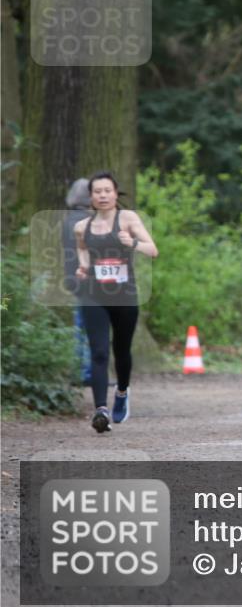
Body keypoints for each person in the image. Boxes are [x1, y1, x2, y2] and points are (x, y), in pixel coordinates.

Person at [73, 171, 158, 433]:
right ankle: (101, 409)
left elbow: (152, 250)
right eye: (97, 191)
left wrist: (132, 242)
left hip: (124, 295)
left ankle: (121, 392)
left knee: (121, 350)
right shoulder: (81, 227)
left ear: (115, 193)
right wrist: (83, 268)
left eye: (107, 190)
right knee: (99, 352)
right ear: (91, 196)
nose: (103, 195)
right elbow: (84, 254)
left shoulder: (128, 218)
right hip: (93, 295)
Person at [62, 178, 93, 385]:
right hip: (89, 279)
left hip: (73, 278)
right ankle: (88, 373)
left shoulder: (67, 221)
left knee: (80, 326)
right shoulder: (89, 222)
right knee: (91, 328)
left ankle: (79, 370)